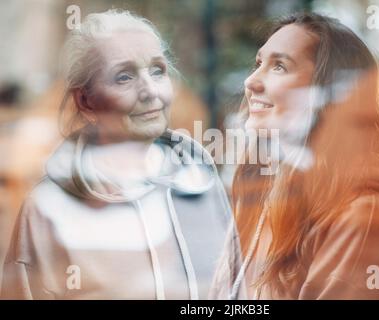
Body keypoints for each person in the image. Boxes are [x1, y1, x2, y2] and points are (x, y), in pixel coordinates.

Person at [1, 9, 231, 299]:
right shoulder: (48, 206)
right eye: (124, 77)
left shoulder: (200, 182)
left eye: (158, 70)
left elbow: (235, 294)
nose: (151, 91)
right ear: (85, 102)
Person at [210, 12, 379, 300]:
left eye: (280, 67)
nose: (250, 82)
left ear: (329, 93)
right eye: (259, 63)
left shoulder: (362, 213)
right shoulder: (264, 189)